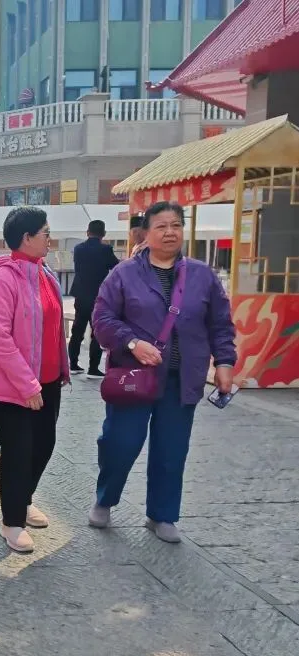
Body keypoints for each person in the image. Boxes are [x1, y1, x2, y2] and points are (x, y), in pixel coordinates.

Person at [90, 201, 236, 543]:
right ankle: (105, 500)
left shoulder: (202, 275)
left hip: (182, 379)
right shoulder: (124, 274)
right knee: (120, 443)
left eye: (176, 225)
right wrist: (131, 343)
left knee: (171, 450)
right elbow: (102, 319)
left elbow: (220, 323)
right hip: (135, 378)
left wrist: (225, 362)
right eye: (161, 226)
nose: (170, 232)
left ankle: (162, 514)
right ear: (147, 233)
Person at [0, 207, 69, 553]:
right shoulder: (3, 279)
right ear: (26, 238)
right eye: (45, 233)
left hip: (48, 381)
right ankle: (11, 521)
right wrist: (27, 384)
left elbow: (54, 327)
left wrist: (61, 369)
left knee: (44, 445)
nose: (50, 239)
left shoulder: (45, 273)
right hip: (13, 387)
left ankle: (23, 500)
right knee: (17, 451)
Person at [68, 219, 118, 378]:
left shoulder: (78, 249)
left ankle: (73, 364)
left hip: (81, 294)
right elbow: (116, 267)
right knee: (96, 331)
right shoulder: (106, 250)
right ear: (103, 234)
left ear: (87, 232)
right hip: (98, 295)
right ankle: (93, 368)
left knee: (77, 329)